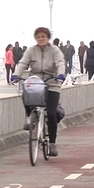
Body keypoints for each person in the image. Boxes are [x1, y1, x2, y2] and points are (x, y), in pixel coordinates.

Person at [11, 27, 66, 157]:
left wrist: (61, 74)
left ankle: (52, 144)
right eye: (38, 36)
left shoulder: (55, 50)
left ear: (48, 38)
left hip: (52, 83)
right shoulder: (31, 50)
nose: (41, 38)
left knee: (52, 114)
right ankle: (29, 116)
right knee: (25, 92)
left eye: (43, 36)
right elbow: (23, 63)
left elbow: (60, 63)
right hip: (36, 82)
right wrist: (16, 74)